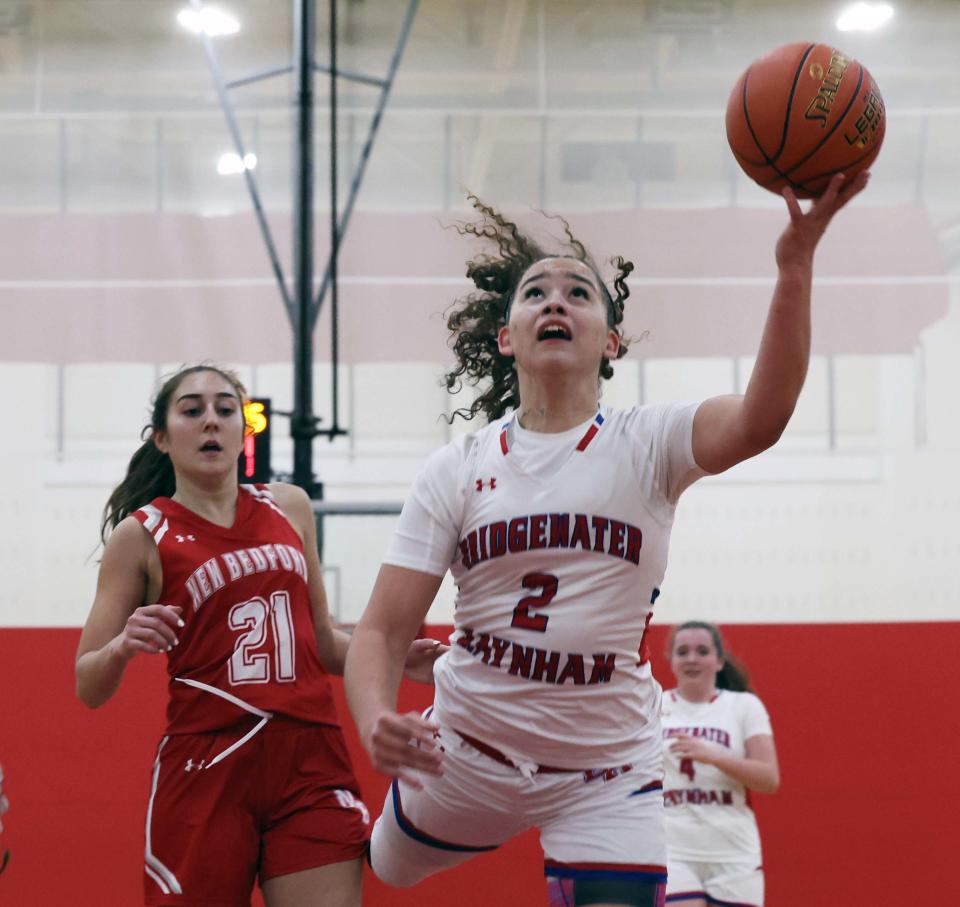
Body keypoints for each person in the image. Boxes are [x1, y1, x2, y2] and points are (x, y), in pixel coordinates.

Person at [343, 173, 868, 907]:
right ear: (506, 337)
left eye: (578, 292)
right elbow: (382, 628)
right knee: (372, 864)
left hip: (605, 770)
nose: (556, 298)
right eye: (536, 292)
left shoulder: (648, 443)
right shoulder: (456, 467)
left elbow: (761, 417)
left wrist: (795, 267)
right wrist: (376, 721)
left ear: (611, 339)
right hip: (467, 751)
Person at [75, 364, 443, 907]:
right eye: (192, 410)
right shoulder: (142, 535)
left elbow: (318, 641)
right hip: (209, 761)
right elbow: (88, 683)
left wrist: (389, 657)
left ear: (244, 431)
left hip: (309, 760)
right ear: (161, 437)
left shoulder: (289, 506)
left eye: (226, 410)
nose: (211, 422)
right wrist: (122, 644)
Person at [661, 622, 779, 907]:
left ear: (719, 660)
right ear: (672, 660)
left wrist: (713, 756)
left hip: (733, 851)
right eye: (683, 651)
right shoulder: (654, 704)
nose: (691, 659)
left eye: (702, 651)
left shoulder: (744, 706)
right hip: (673, 849)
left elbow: (769, 778)